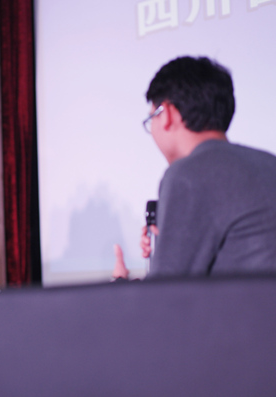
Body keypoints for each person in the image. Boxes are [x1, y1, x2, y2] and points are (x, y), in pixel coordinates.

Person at [114, 56, 276, 279]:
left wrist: (120, 283)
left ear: (166, 113)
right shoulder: (269, 163)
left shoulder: (187, 176)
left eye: (151, 119)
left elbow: (166, 294)